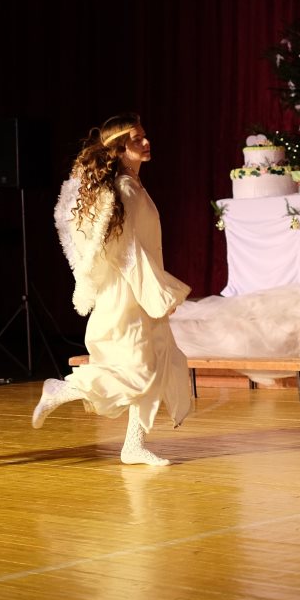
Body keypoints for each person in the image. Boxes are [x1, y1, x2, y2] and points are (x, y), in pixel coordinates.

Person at [34, 112, 193, 466]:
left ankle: (133, 445)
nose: (146, 142)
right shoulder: (125, 189)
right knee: (136, 369)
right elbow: (129, 252)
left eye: (144, 135)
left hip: (138, 289)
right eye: (136, 139)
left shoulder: (133, 185)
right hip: (128, 294)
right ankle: (62, 389)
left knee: (155, 364)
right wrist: (158, 294)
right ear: (120, 148)